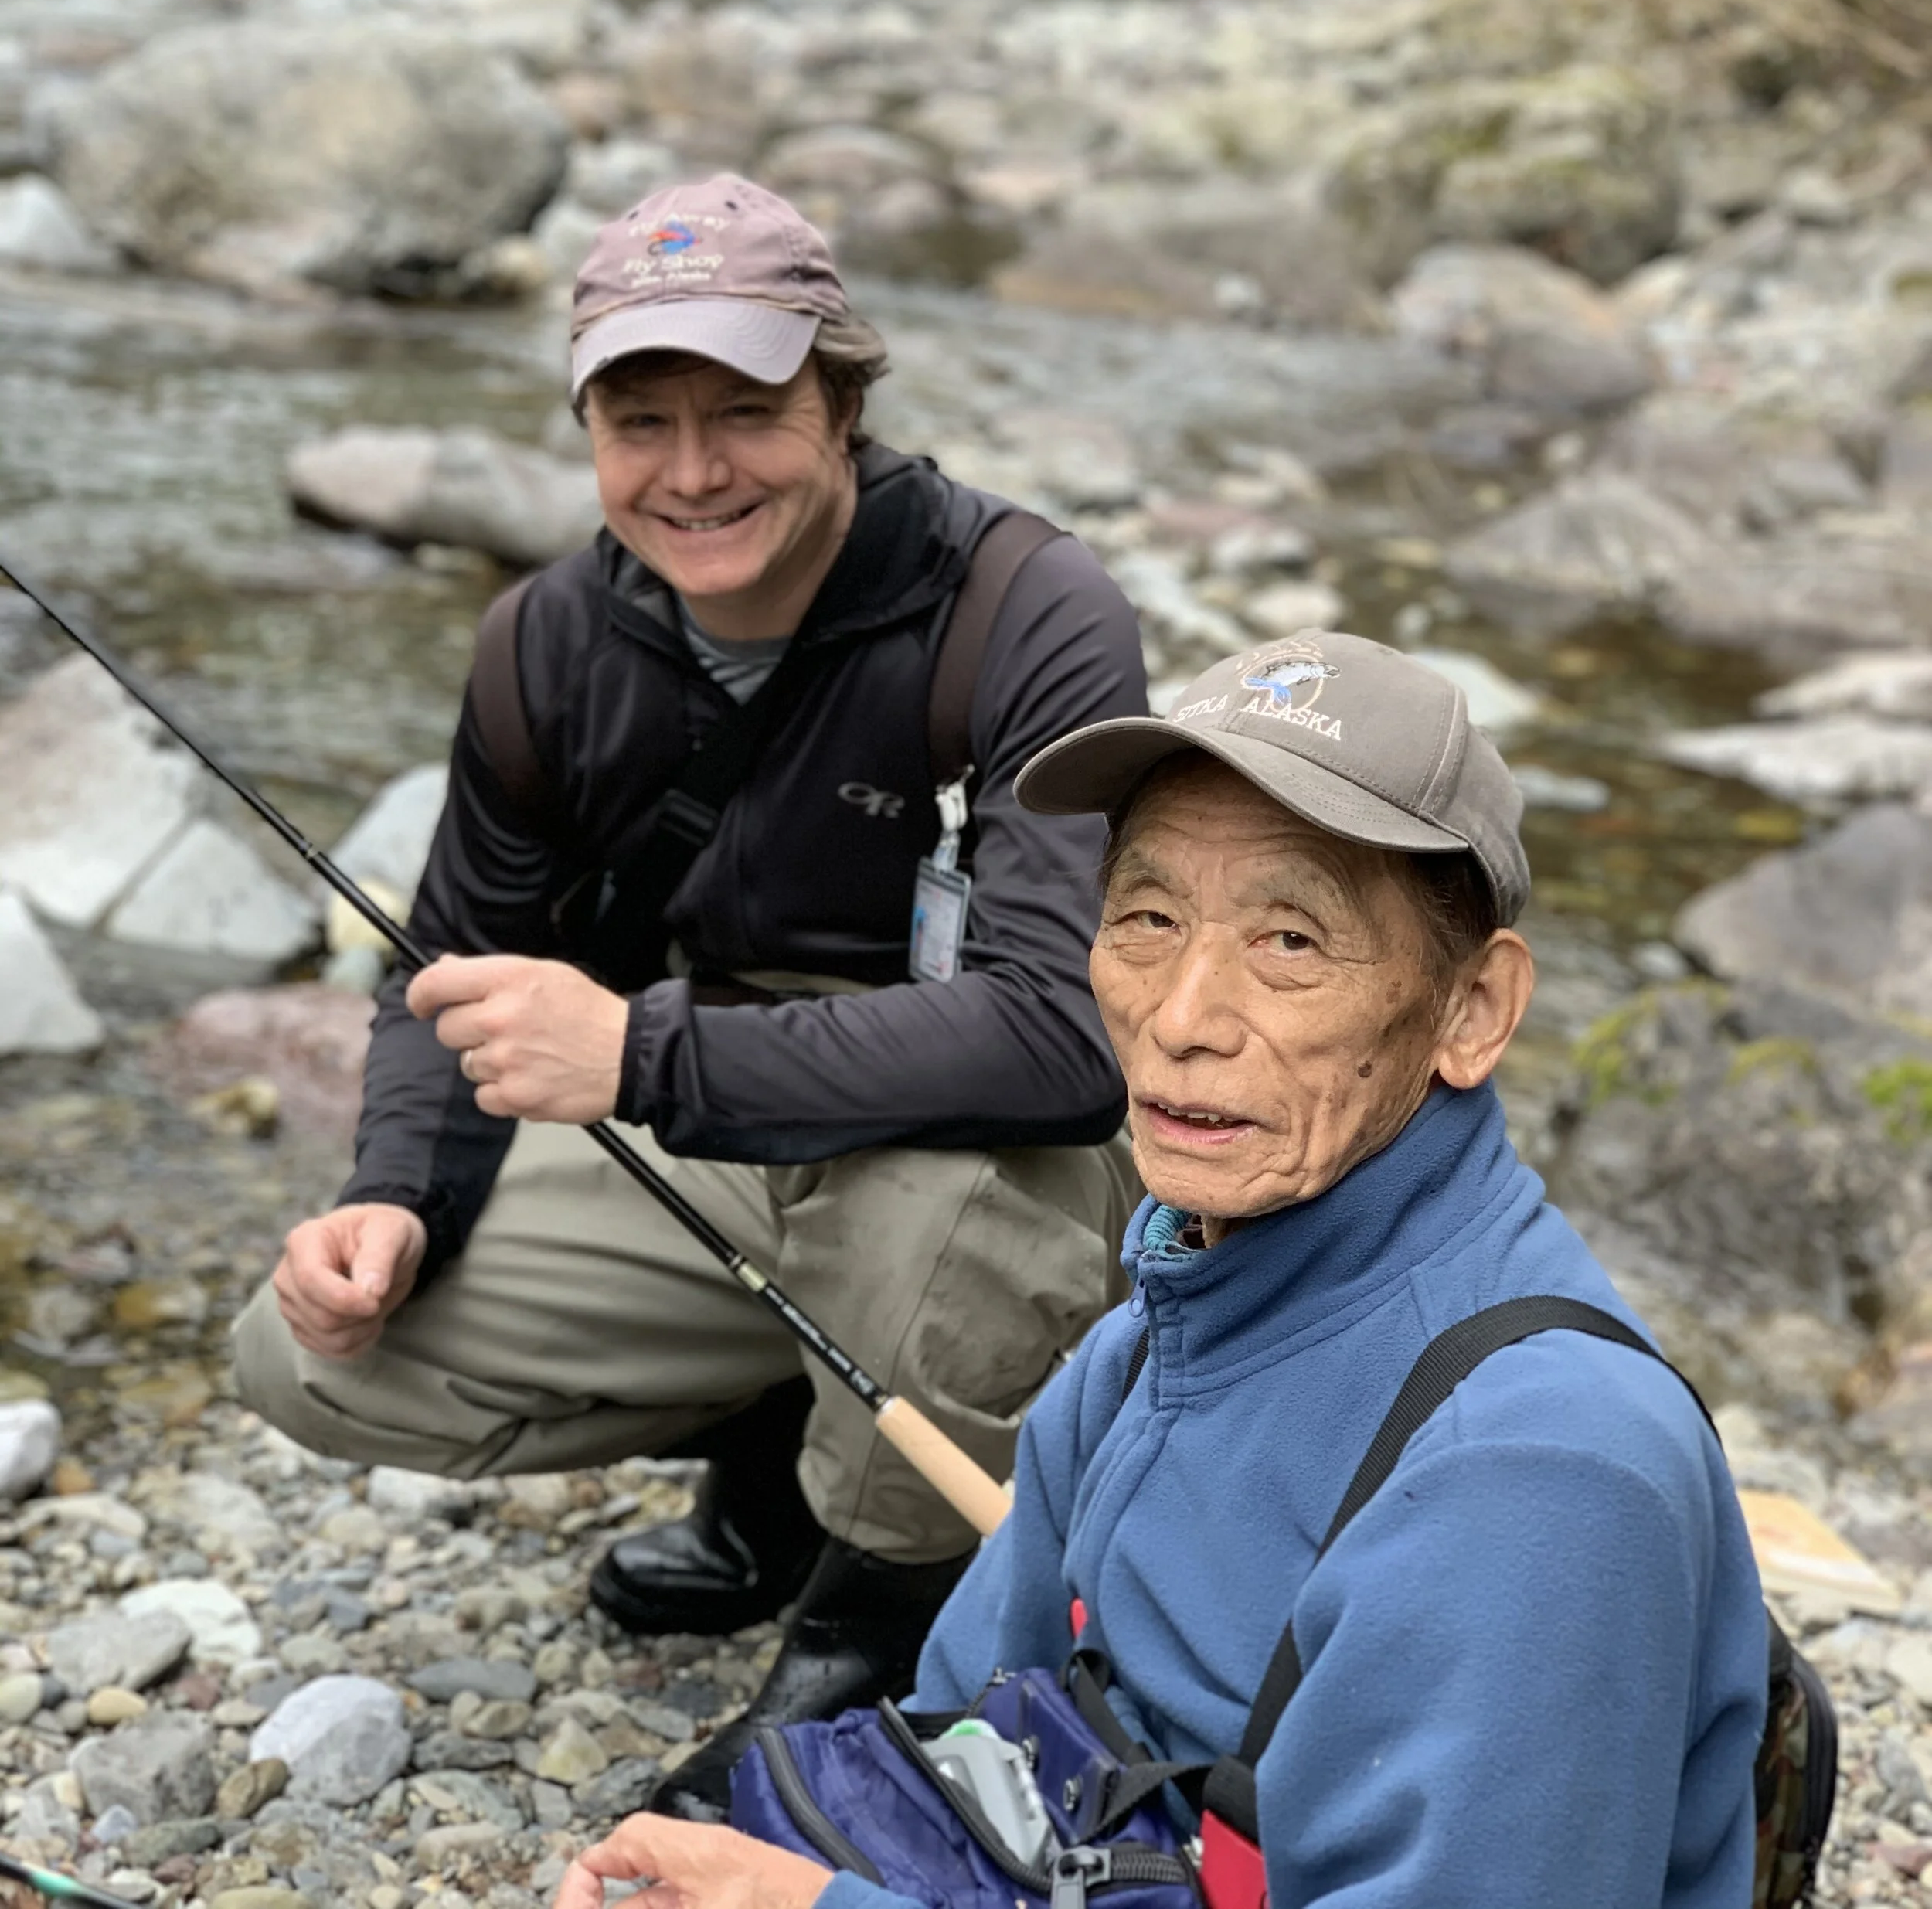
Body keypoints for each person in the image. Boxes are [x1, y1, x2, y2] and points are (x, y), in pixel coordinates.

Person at [554, 630, 1767, 1909]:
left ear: (1472, 1011)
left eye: (1292, 941)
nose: (1183, 1017)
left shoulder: (1539, 1475)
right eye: (1147, 915)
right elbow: (952, 1743)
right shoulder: (1161, 1320)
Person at [232, 175, 1147, 1815]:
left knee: (930, 1224)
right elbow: (443, 971)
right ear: (586, 431)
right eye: (638, 418)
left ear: (844, 404)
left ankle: (874, 1644)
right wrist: (390, 1197)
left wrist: (639, 1047)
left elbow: (1064, 1038)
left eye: (745, 411)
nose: (691, 468)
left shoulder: (1026, 610)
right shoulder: (544, 642)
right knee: (308, 1358)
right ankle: (779, 1466)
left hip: (1005, 1144)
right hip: (721, 1114)